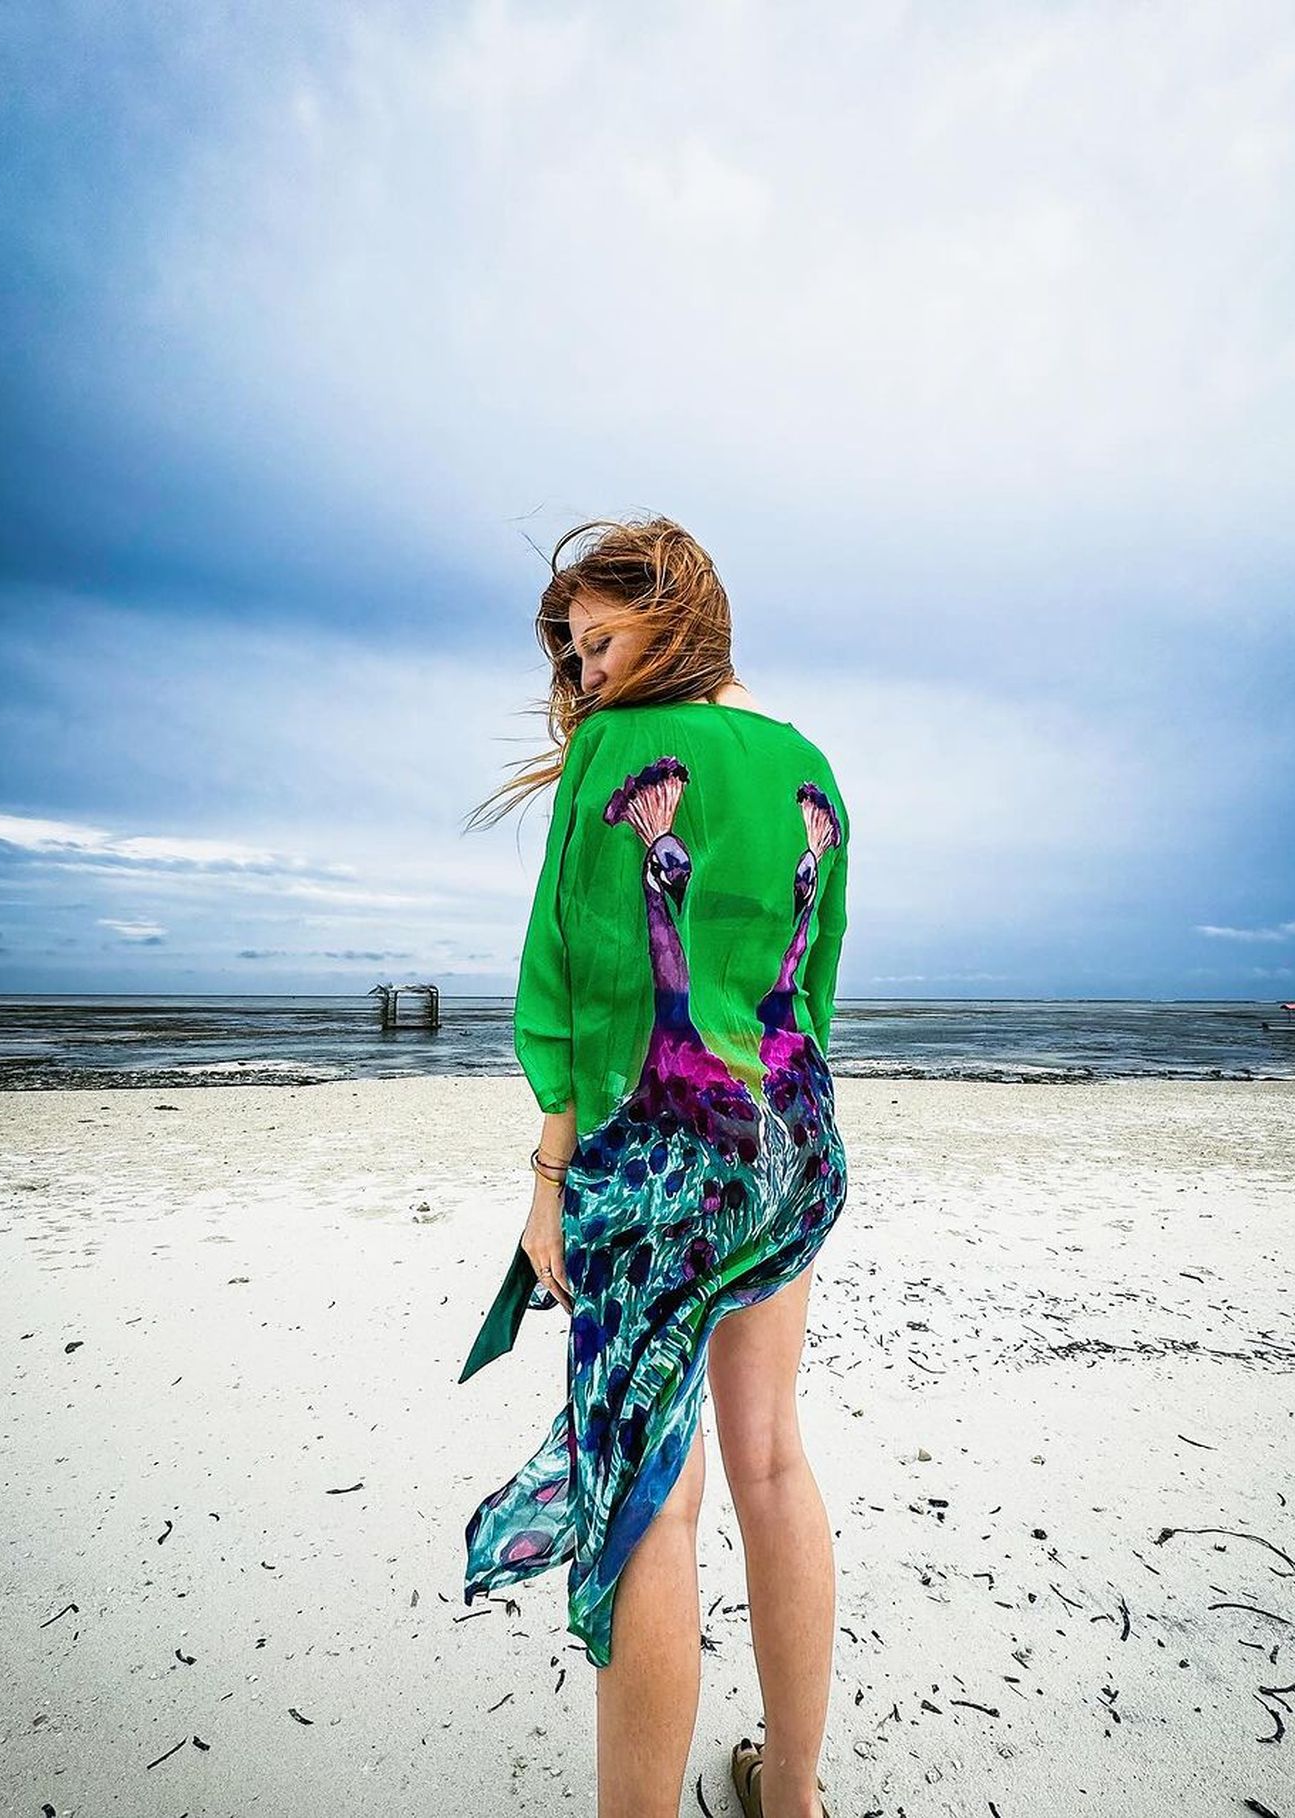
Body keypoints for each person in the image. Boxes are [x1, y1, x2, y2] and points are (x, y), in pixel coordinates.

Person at [459, 515, 850, 1818]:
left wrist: (549, 1180)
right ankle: (792, 1797)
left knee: (654, 1504)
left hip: (659, 1156)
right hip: (788, 1136)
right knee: (773, 1459)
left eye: (596, 642)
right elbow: (815, 988)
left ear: (669, 615)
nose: (581, 676)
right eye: (571, 655)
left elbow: (560, 983)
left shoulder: (618, 756)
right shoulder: (812, 769)